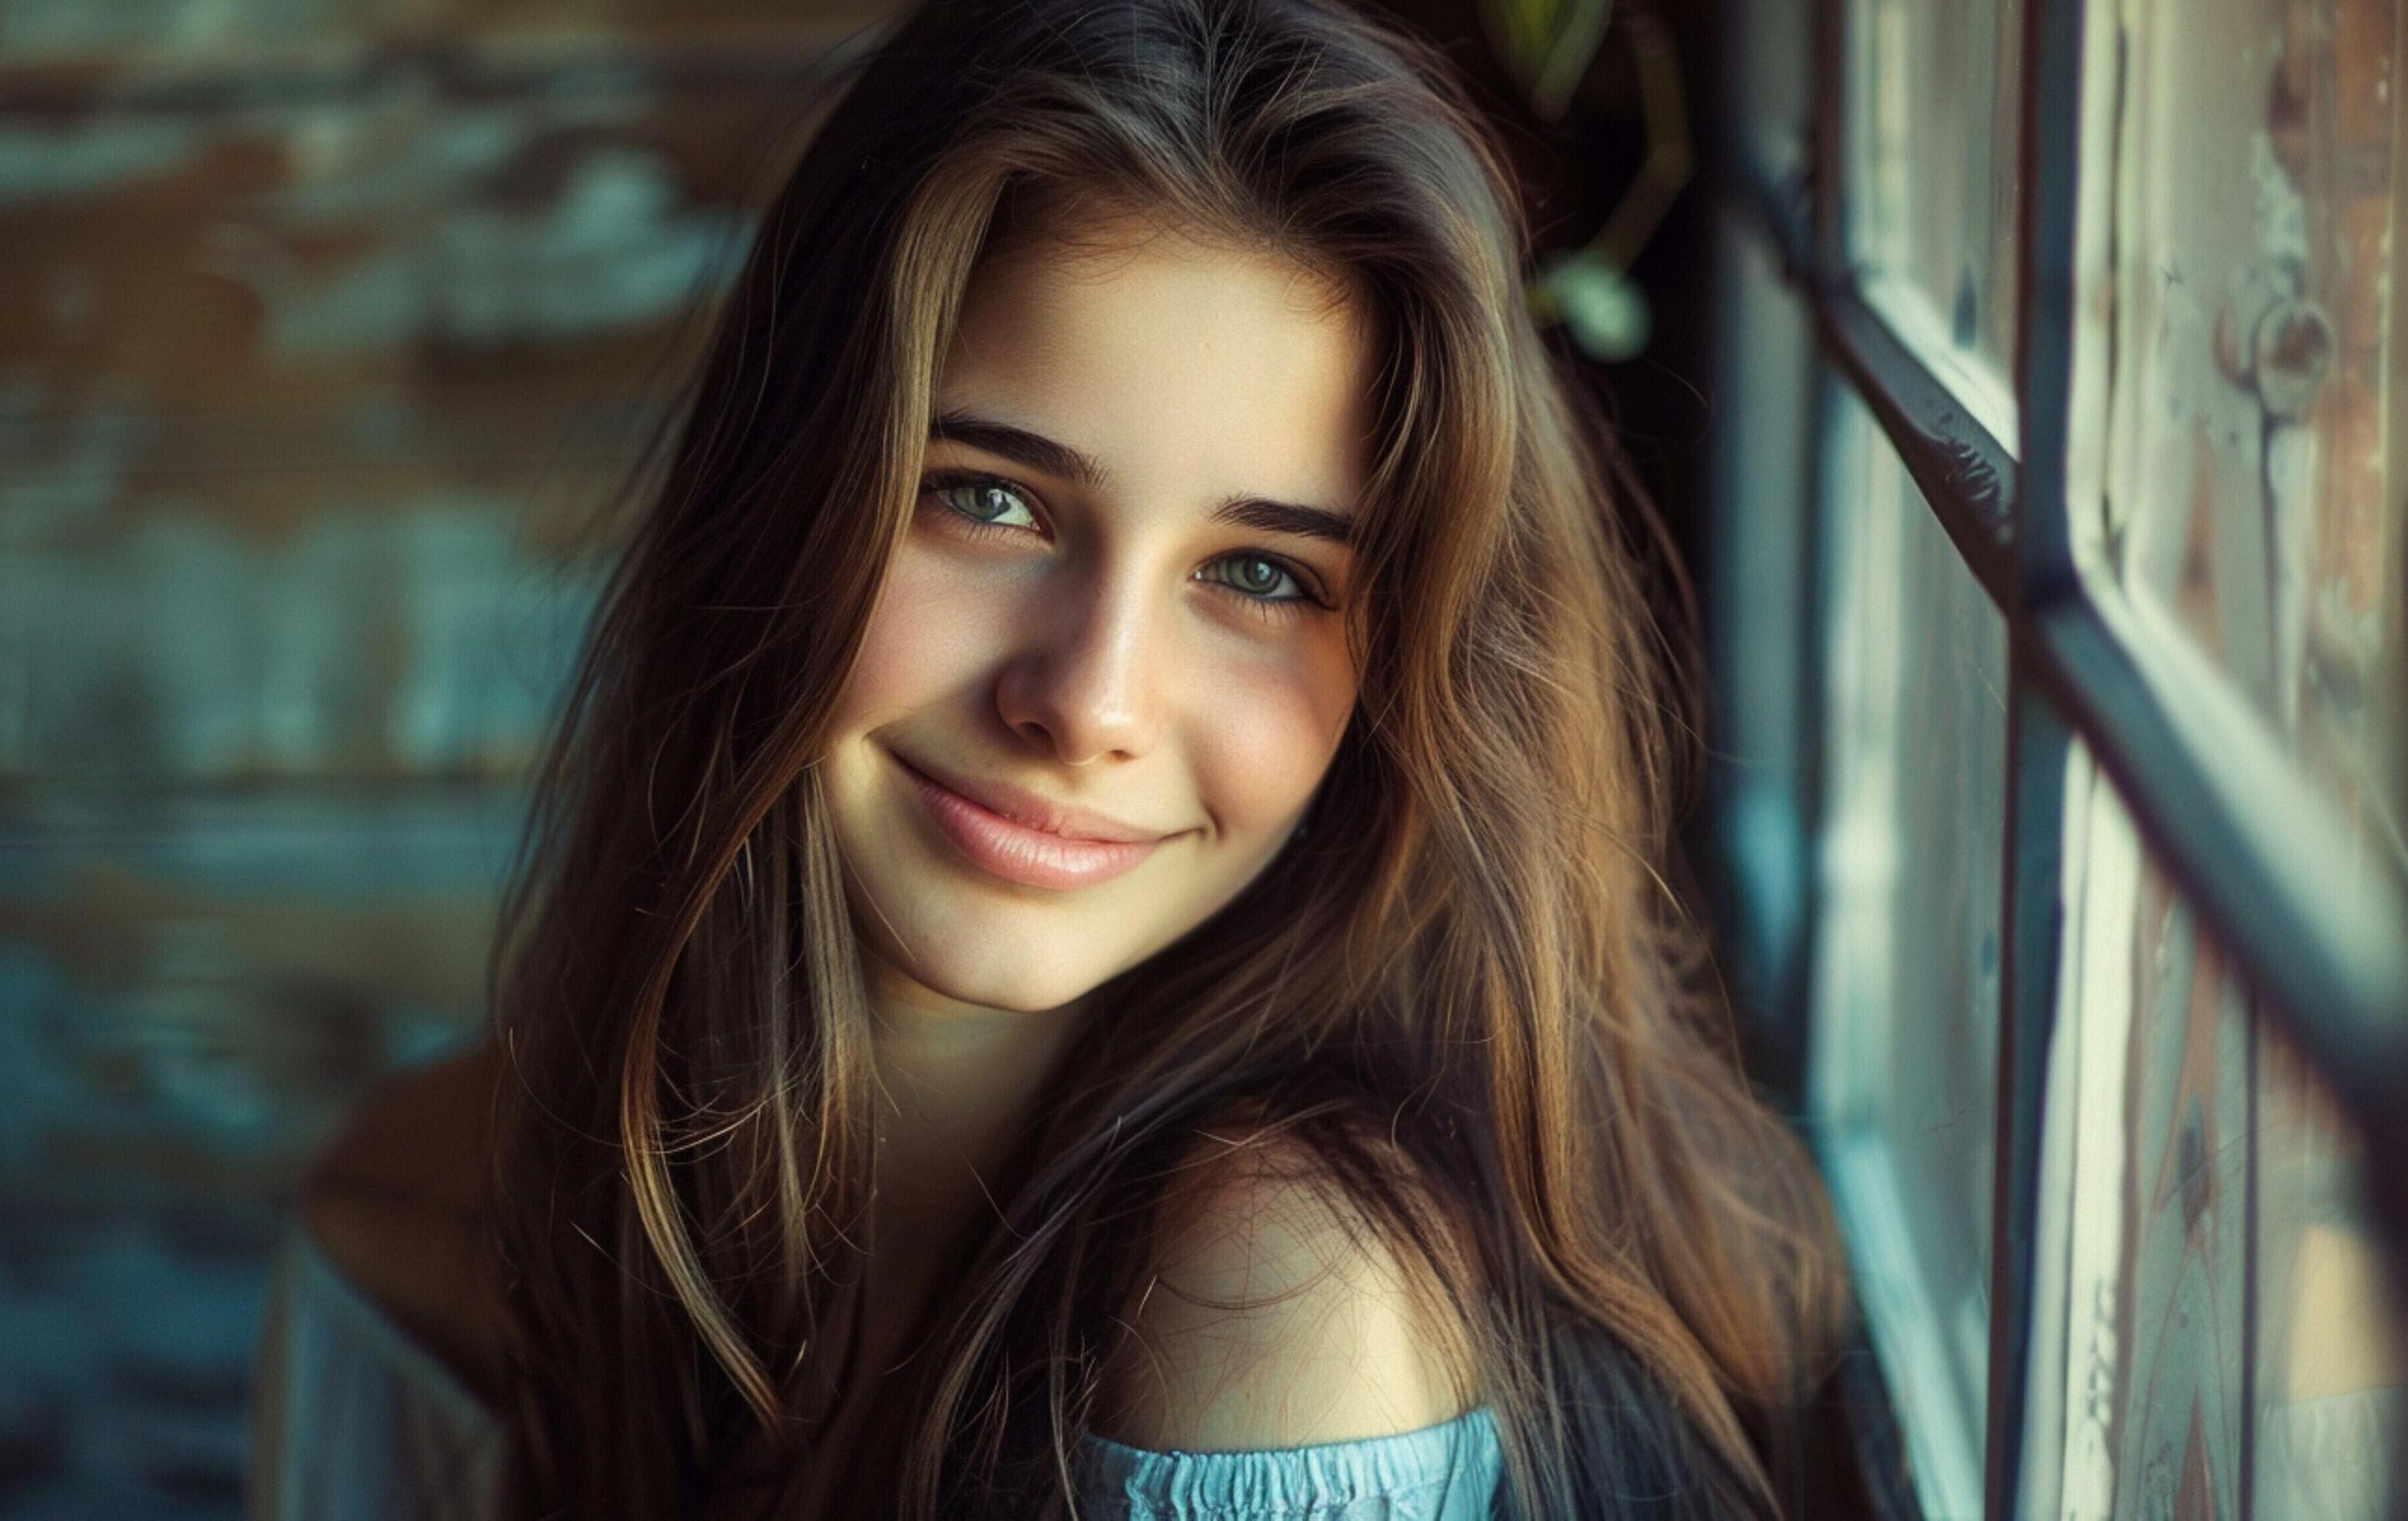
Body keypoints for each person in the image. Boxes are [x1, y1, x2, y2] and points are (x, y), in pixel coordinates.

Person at [250, 0, 1856, 1514]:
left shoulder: (1283, 1283)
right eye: (991, 498)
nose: (1090, 698)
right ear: (785, 492)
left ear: (1406, 681)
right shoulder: (425, 1217)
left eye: (1263, 575)